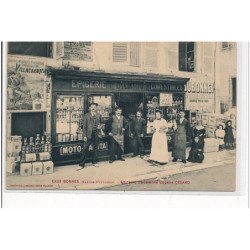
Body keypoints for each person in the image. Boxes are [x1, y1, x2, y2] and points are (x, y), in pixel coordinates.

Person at [77, 103, 103, 170]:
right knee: (85, 149)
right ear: (90, 108)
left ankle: (94, 162)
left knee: (95, 148)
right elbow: (84, 127)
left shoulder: (99, 115)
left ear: (96, 108)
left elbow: (102, 123)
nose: (93, 108)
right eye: (92, 107)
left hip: (96, 134)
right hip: (88, 134)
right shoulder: (86, 115)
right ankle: (81, 164)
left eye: (94, 107)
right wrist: (84, 136)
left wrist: (100, 126)